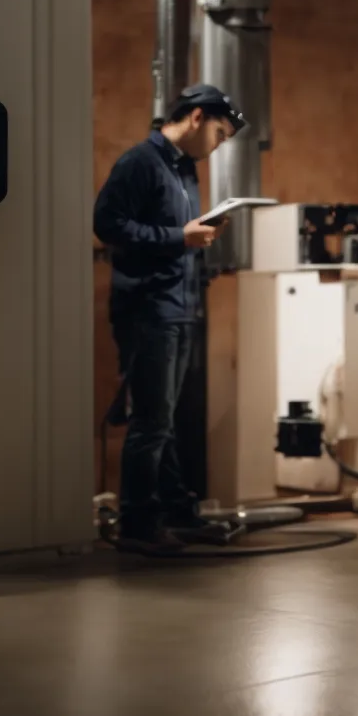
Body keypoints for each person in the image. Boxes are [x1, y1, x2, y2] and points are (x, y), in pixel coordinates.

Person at [92, 83, 245, 554]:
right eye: (220, 133)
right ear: (196, 117)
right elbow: (108, 224)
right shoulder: (141, 163)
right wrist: (179, 236)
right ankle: (138, 525)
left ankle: (178, 515)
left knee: (165, 420)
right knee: (151, 422)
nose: (220, 145)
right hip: (147, 309)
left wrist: (193, 237)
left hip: (175, 307)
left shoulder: (184, 171)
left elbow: (174, 235)